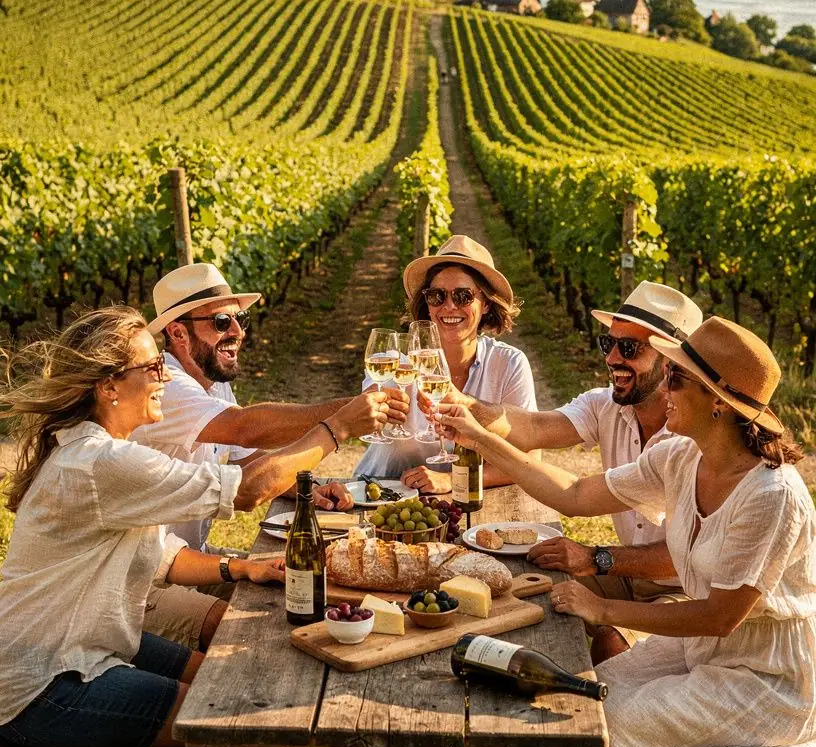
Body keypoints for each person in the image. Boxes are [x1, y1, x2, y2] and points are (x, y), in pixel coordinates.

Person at [0, 306, 393, 747]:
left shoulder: (97, 452)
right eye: (151, 366)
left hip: (88, 641)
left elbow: (155, 551)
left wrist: (241, 570)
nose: (163, 376)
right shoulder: (101, 462)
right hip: (41, 679)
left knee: (210, 679)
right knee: (225, 717)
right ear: (108, 386)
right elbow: (248, 485)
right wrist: (333, 431)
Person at [441, 317, 816, 747]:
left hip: (770, 675)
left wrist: (596, 604)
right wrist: (479, 437)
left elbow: (721, 614)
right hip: (710, 652)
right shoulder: (681, 456)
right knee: (582, 703)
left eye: (676, 378)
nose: (662, 389)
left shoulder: (772, 496)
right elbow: (574, 490)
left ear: (721, 405)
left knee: (618, 723)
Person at [132, 263, 407, 656]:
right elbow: (248, 431)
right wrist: (344, 420)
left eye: (240, 319)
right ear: (177, 332)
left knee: (304, 591)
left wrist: (304, 487)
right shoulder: (166, 385)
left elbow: (248, 463)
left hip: (191, 561)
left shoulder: (210, 384)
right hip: (143, 580)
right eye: (222, 321)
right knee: (256, 638)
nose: (238, 332)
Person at [438, 281, 703, 662]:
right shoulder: (607, 406)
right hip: (623, 573)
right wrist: (467, 405)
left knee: (612, 645)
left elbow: (685, 556)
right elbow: (533, 427)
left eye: (629, 348)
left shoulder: (689, 443)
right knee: (517, 589)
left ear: (670, 364)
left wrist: (597, 558)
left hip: (684, 591)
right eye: (607, 344)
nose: (612, 358)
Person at [354, 235, 537, 492]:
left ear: (485, 304)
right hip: (377, 494)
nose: (449, 306)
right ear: (427, 305)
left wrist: (453, 479)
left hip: (464, 503)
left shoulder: (509, 365)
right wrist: (376, 404)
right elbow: (365, 407)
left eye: (463, 296)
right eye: (437, 296)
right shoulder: (400, 364)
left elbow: (529, 460)